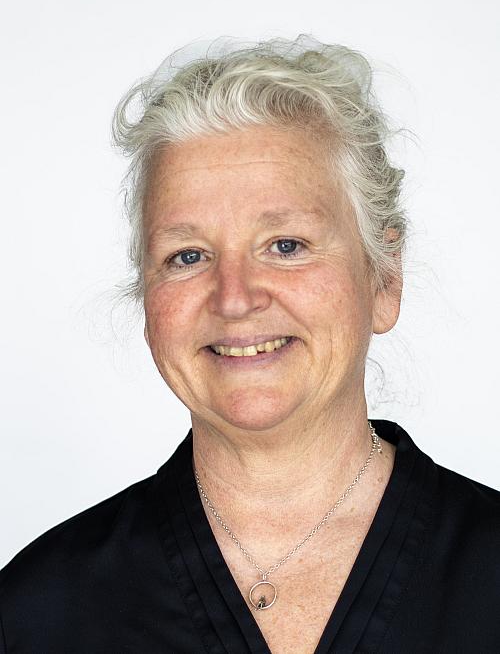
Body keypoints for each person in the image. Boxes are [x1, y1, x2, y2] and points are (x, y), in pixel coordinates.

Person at [1, 35, 499, 654]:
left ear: (384, 279)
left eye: (286, 246)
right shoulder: (36, 613)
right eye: (188, 256)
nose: (234, 298)